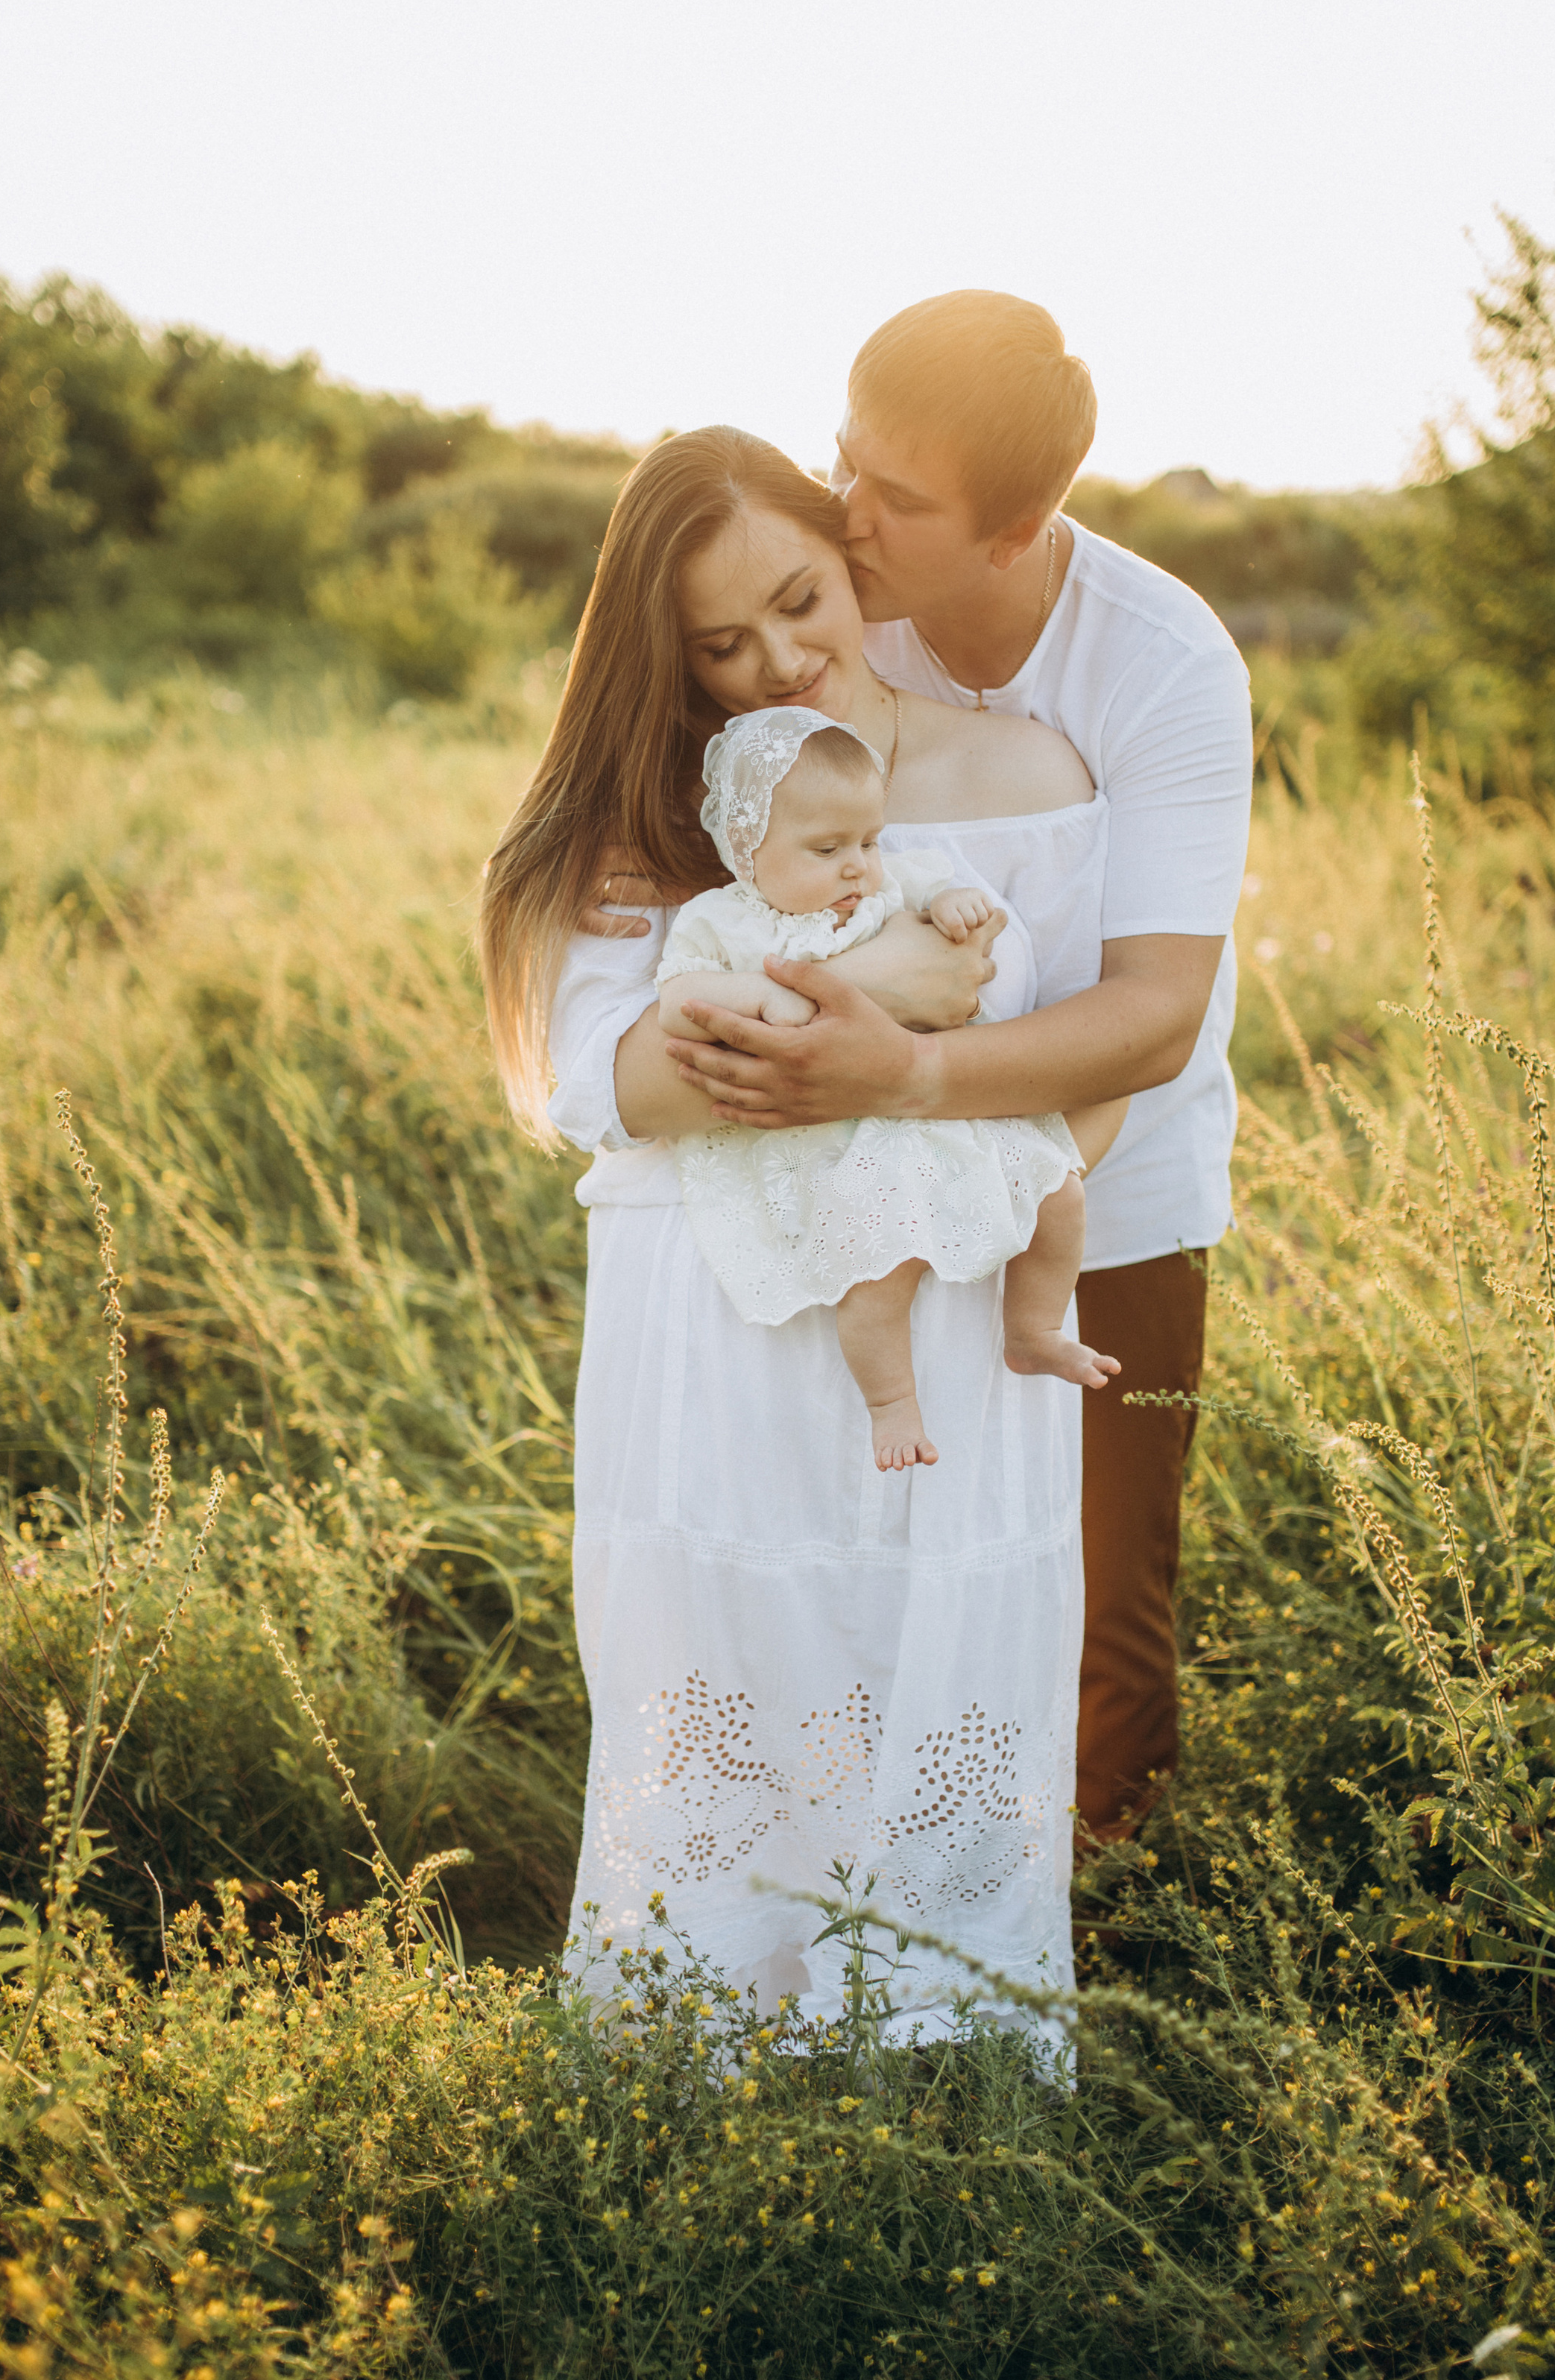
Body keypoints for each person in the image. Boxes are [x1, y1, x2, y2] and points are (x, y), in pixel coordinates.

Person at [478, 426, 1113, 2035]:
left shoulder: (1021, 774)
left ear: (853, 555)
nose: (775, 660)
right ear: (664, 657)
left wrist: (980, 1153)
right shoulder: (642, 822)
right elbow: (609, 1083)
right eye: (719, 643)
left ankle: (936, 2063)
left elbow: (1108, 1049)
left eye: (798, 599)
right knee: (734, 1662)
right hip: (717, 1316)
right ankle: (713, 2056)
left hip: (951, 1307)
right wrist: (877, 998)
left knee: (935, 1656)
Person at [660, 295, 1254, 1847]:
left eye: (894, 499)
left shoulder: (1162, 665)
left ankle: (1091, 1926)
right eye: (843, 460)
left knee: (1101, 1580)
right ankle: (881, 1878)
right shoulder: (828, 620)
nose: (844, 518)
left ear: (1017, 528)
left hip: (1104, 1180)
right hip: (867, 1189)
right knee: (886, 1555)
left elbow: (1152, 1015)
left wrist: (903, 1074)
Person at [657, 704, 1122, 1469]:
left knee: (1058, 1192)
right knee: (878, 1268)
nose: (857, 865)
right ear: (747, 850)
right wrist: (764, 997)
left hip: (933, 1109)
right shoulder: (726, 923)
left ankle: (1033, 1331)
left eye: (869, 840)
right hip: (838, 1134)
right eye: (827, 847)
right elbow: (677, 1000)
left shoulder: (889, 885)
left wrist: (949, 905)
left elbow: (936, 895)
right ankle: (890, 1403)